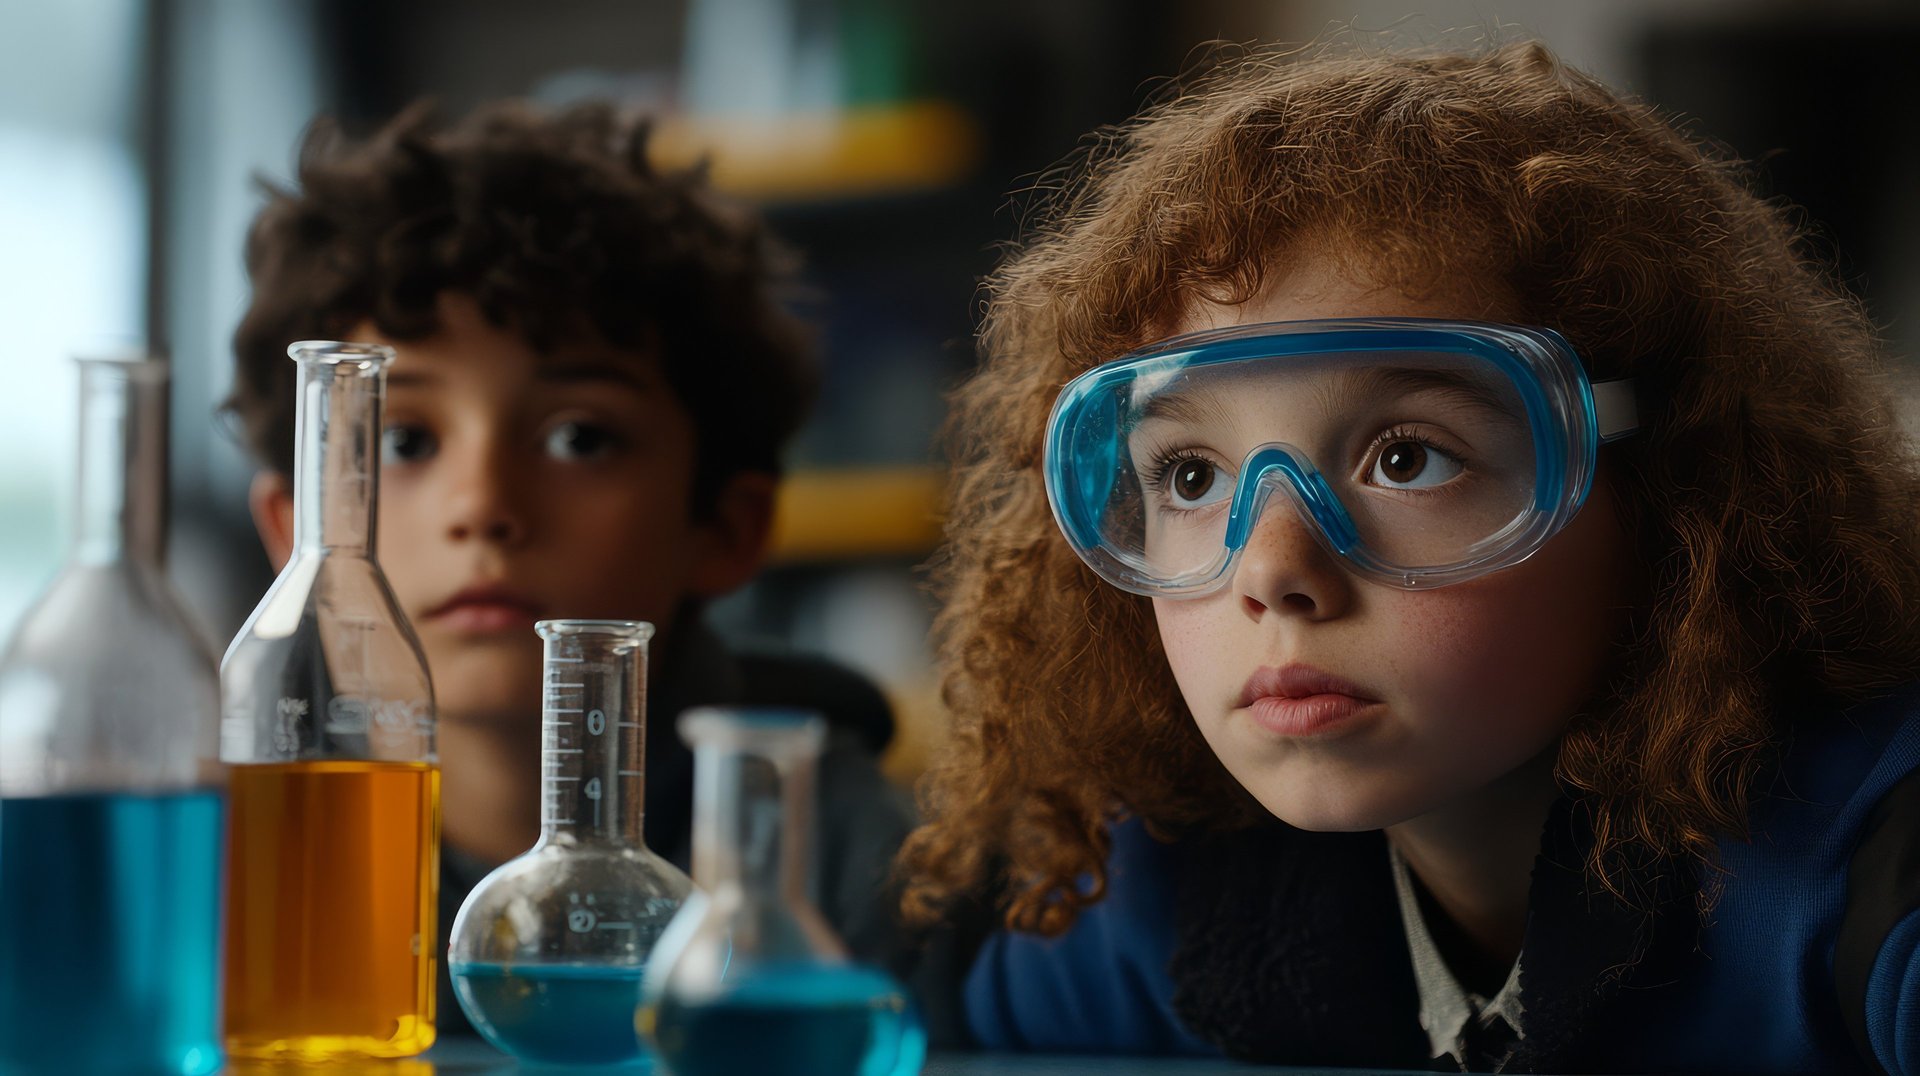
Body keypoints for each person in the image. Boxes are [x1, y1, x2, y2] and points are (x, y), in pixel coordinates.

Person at [896, 39, 1920, 1073]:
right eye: (1193, 476)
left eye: (1406, 457)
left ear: (1677, 489)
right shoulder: (1165, 896)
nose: (1271, 571)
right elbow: (893, 995)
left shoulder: (1861, 858)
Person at [223, 100, 915, 1035]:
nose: (483, 505)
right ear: (291, 527)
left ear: (725, 526)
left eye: (580, 437)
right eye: (404, 439)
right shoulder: (232, 866)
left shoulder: (857, 866)